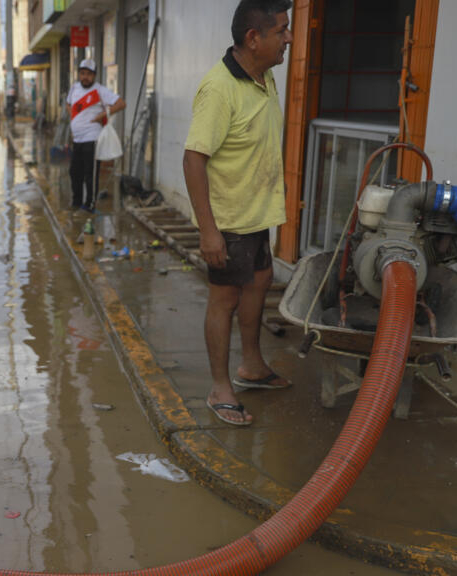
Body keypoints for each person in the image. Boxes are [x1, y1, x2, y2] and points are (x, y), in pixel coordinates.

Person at [182, 0, 293, 426]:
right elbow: (194, 160)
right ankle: (220, 388)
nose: (288, 39)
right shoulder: (220, 89)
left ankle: (252, 366)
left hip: (256, 212)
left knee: (261, 279)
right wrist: (208, 231)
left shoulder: (263, 76)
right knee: (224, 298)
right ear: (253, 38)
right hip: (228, 219)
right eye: (281, 31)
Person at [67, 59, 125, 212]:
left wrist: (101, 116)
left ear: (94, 75)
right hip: (77, 138)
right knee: (74, 172)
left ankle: (89, 204)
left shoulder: (100, 90)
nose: (85, 77)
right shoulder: (74, 88)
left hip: (92, 138)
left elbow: (120, 103)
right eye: (83, 73)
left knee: (89, 174)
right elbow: (68, 104)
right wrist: (74, 119)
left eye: (89, 74)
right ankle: (76, 201)